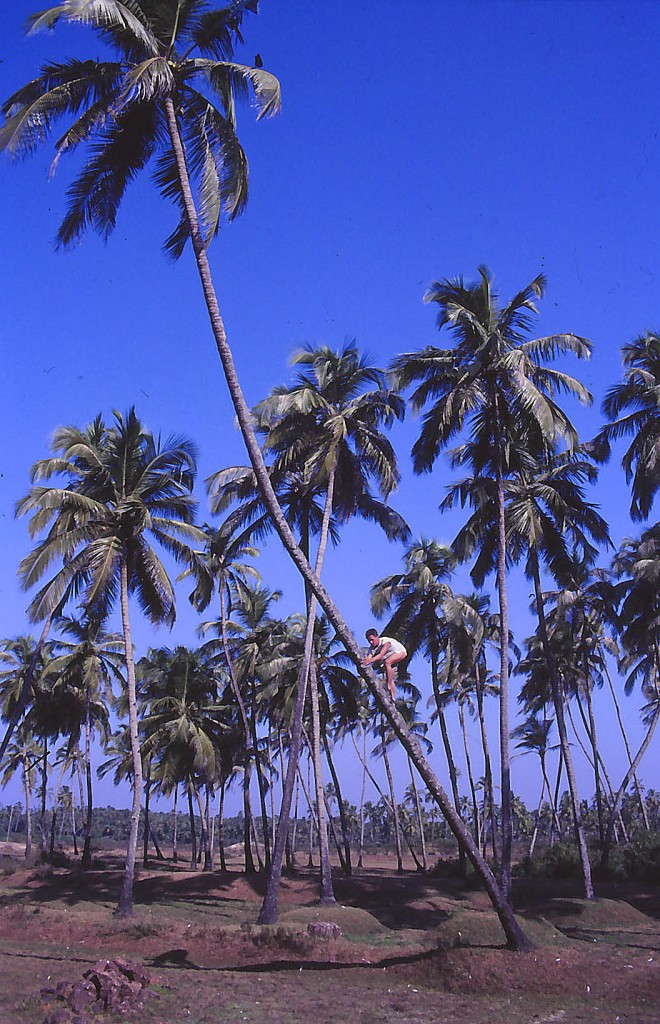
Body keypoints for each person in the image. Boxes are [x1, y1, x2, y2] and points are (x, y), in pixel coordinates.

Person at [362, 628, 407, 700]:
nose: (371, 642)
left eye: (372, 640)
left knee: (387, 662)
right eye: (369, 641)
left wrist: (369, 661)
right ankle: (393, 698)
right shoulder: (372, 648)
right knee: (389, 677)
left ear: (377, 637)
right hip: (390, 657)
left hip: (400, 652)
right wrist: (364, 662)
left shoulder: (385, 642)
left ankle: (388, 685)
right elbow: (368, 658)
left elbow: (380, 656)